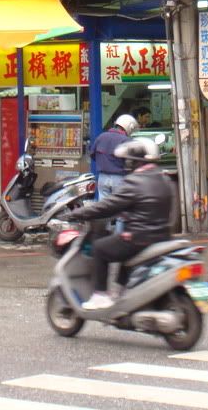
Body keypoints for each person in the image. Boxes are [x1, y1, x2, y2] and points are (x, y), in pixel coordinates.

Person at [68, 137, 175, 310]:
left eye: (129, 160)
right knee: (120, 249)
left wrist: (78, 213)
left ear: (136, 161)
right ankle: (120, 291)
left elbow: (107, 206)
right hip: (162, 237)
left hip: (139, 238)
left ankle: (100, 296)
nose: (127, 164)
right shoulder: (164, 179)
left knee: (100, 248)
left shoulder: (135, 182)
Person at [88, 114, 137, 200]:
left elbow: (92, 154)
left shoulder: (101, 137)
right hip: (119, 178)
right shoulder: (127, 141)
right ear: (129, 127)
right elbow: (132, 162)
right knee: (119, 205)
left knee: (104, 205)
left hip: (102, 178)